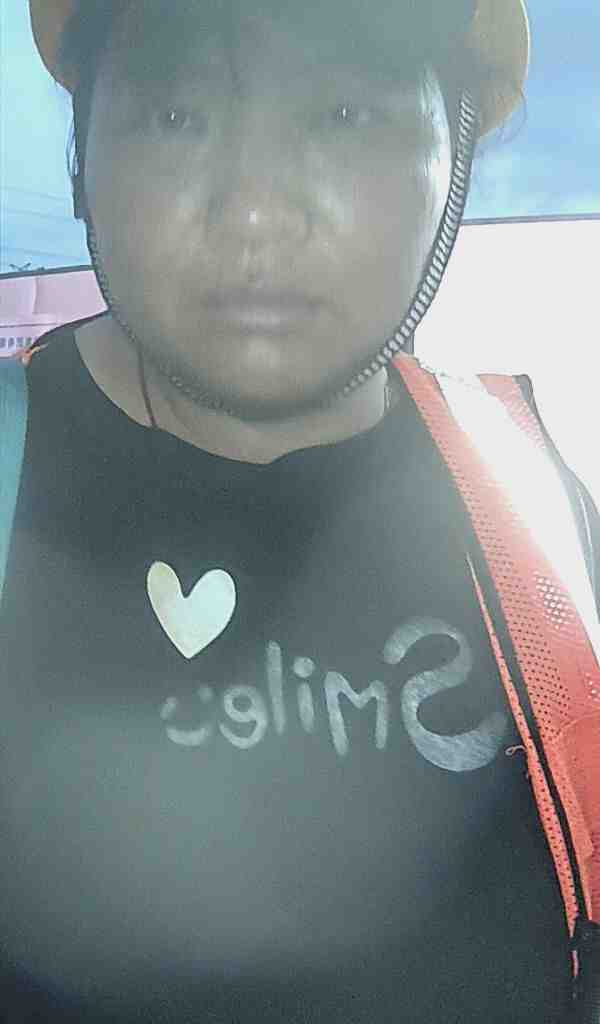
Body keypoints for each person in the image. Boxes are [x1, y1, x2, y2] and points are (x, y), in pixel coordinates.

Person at [2, 1, 597, 1021]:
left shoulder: (531, 488)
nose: (256, 214)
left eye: (346, 115)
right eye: (177, 118)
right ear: (83, 157)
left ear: (451, 153)